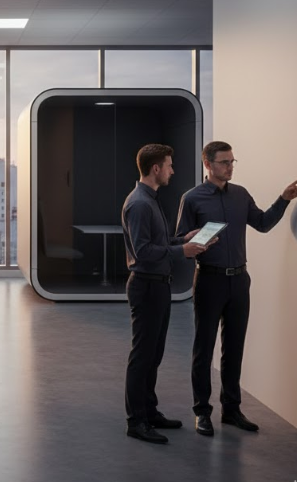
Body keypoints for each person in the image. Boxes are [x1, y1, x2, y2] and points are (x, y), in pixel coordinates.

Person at [176, 141, 297, 437]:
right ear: (207, 164)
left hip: (239, 280)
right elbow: (179, 238)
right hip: (209, 279)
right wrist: (193, 240)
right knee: (203, 348)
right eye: (224, 162)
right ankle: (202, 412)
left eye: (232, 162)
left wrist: (283, 200)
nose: (230, 167)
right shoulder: (192, 198)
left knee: (234, 348)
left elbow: (262, 223)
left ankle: (231, 410)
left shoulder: (240, 195)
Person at [122, 143, 207, 444]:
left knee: (153, 354)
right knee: (142, 356)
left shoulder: (150, 200)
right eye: (169, 165)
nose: (173, 170)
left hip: (158, 285)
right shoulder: (140, 204)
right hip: (146, 285)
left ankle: (150, 412)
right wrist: (181, 250)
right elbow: (144, 252)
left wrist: (182, 238)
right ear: (156, 168)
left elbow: (157, 242)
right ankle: (136, 422)